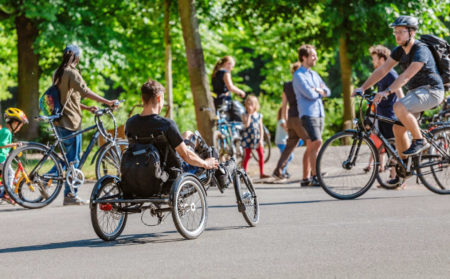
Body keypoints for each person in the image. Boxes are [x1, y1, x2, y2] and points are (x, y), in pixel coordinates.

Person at [353, 16, 445, 187]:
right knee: (398, 128)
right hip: (417, 93)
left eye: (400, 32)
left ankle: (420, 141)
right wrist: (363, 88)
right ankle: (403, 167)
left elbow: (406, 75)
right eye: (395, 31)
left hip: (432, 91)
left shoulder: (421, 49)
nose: (397, 35)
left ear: (411, 32)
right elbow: (382, 70)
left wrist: (387, 91)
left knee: (398, 106)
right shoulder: (399, 51)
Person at [52, 45, 120, 205]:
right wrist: (108, 101)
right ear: (77, 58)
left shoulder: (58, 72)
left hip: (59, 120)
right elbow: (86, 91)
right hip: (71, 122)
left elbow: (67, 99)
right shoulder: (72, 72)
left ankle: (49, 179)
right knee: (74, 160)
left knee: (68, 159)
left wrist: (87, 107)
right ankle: (70, 195)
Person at [125, 79, 218, 174]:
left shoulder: (130, 123)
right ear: (159, 99)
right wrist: (205, 163)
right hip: (171, 172)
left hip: (142, 170)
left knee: (187, 134)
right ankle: (214, 164)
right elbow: (185, 155)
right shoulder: (166, 124)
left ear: (142, 99)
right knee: (194, 136)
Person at [363, 45, 404, 187]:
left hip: (390, 116)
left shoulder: (391, 74)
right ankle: (395, 179)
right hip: (382, 115)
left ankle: (398, 179)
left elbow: (400, 94)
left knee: (393, 147)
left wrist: (403, 113)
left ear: (382, 59)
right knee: (389, 147)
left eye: (374, 60)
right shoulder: (382, 75)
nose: (373, 63)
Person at [294, 45, 331, 186]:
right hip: (308, 114)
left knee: (311, 146)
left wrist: (318, 89)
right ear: (304, 57)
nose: (316, 58)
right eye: (313, 55)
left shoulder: (314, 74)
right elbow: (309, 94)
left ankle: (305, 178)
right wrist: (318, 91)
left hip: (319, 113)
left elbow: (327, 91)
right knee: (317, 142)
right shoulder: (298, 75)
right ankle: (316, 176)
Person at [272, 62, 310, 183]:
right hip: (300, 118)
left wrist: (285, 120)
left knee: (289, 147)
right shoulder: (301, 84)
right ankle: (315, 172)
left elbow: (284, 105)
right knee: (312, 143)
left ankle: (278, 170)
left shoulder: (287, 86)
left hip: (291, 119)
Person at [0, 108, 28, 205]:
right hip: (0, 159)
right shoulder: (7, 132)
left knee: (5, 173)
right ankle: (9, 192)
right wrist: (14, 145)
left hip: (2, 157)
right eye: (20, 125)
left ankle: (4, 191)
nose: (20, 128)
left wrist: (8, 154)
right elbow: (1, 144)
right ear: (16, 123)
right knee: (11, 173)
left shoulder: (4, 131)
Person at [241, 95, 270, 179]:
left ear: (255, 105)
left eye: (252, 104)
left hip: (257, 138)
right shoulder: (245, 114)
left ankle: (262, 173)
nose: (250, 106)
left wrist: (261, 139)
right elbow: (246, 125)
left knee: (261, 155)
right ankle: (244, 174)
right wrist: (249, 114)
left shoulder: (259, 115)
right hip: (248, 137)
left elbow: (261, 128)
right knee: (247, 156)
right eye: (248, 104)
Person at [274, 106, 304, 179]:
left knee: (288, 156)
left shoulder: (282, 121)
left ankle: (284, 170)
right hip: (281, 142)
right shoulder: (282, 121)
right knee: (289, 156)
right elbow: (287, 129)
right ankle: (282, 171)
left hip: (283, 142)